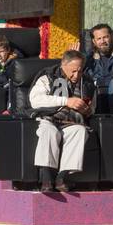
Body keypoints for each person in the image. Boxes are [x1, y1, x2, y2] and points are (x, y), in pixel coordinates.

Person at [29, 50, 93, 193]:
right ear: (63, 65)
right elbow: (35, 100)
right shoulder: (48, 76)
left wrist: (87, 111)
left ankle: (61, 178)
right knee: (49, 131)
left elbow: (92, 107)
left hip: (72, 122)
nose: (76, 75)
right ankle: (46, 179)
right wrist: (66, 101)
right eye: (73, 71)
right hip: (49, 118)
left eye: (80, 71)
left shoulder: (87, 82)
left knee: (79, 131)